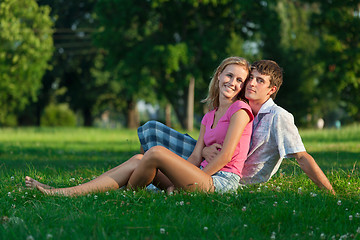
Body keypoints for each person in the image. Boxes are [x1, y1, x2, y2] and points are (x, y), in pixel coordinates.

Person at [26, 56, 254, 195]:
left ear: (243, 86)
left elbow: (225, 157)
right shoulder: (209, 115)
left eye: (239, 80)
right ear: (218, 75)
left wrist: (194, 179)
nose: (232, 83)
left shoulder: (240, 111)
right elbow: (194, 157)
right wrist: (182, 178)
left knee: (154, 152)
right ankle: (63, 192)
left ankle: (117, 193)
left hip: (220, 182)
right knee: (138, 159)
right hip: (200, 175)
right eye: (229, 75)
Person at [137, 60, 335, 194]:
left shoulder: (278, 117)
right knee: (151, 130)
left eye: (260, 81)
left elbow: (302, 157)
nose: (251, 84)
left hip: (230, 176)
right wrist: (204, 150)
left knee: (156, 153)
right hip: (210, 161)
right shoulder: (242, 105)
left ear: (272, 89)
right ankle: (142, 178)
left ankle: (146, 183)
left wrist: (330, 193)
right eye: (251, 78)